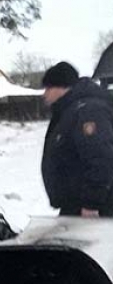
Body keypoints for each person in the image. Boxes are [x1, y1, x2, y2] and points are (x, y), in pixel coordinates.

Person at [41, 61, 113, 217]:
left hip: (93, 207)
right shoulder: (70, 110)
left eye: (48, 88)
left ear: (62, 87)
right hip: (76, 203)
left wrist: (91, 203)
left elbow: (100, 158)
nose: (45, 94)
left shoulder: (87, 111)